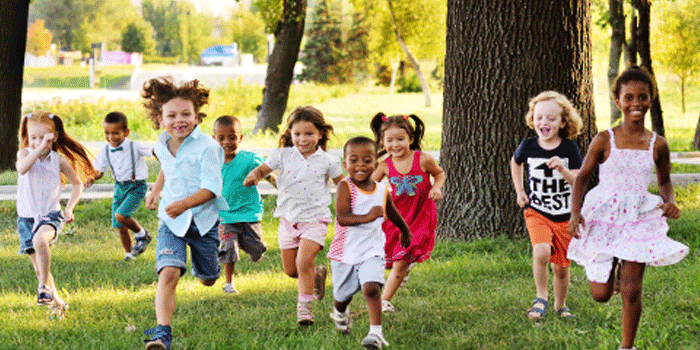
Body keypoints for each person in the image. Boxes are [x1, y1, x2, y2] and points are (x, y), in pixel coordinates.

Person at [567, 66, 689, 350]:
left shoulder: (658, 144)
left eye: (643, 97)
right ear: (618, 101)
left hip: (638, 217)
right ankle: (613, 266)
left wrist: (669, 200)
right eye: (629, 97)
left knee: (632, 289)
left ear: (651, 99)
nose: (637, 103)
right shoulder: (604, 139)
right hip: (604, 215)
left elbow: (665, 180)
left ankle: (627, 346)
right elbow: (582, 178)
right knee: (600, 294)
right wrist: (576, 213)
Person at [141, 77, 227, 350]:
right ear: (160, 118)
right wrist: (156, 190)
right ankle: (162, 334)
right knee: (169, 273)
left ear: (197, 115)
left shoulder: (209, 148)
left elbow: (211, 189)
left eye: (186, 114)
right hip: (171, 220)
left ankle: (208, 265)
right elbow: (169, 166)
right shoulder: (162, 143)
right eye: (172, 115)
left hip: (202, 221)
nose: (180, 120)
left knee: (209, 278)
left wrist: (184, 204)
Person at [244, 106, 343, 326]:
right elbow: (263, 169)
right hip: (288, 220)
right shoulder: (282, 155)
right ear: (290, 133)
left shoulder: (327, 160)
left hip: (316, 220)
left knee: (303, 260)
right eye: (297, 134)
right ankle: (316, 275)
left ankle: (304, 310)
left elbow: (343, 185)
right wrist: (255, 175)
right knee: (292, 271)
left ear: (320, 134)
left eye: (309, 134)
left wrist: (354, 205)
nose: (302, 139)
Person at [327, 136, 411, 349]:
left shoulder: (382, 189)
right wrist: (367, 217)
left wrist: (404, 230)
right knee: (342, 296)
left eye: (367, 160)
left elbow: (391, 211)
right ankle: (340, 312)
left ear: (375, 164)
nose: (360, 165)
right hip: (345, 252)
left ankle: (376, 334)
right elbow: (342, 217)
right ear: (345, 164)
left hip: (372, 249)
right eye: (354, 160)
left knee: (371, 288)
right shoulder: (345, 187)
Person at [509, 91, 583, 320]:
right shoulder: (528, 145)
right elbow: (516, 162)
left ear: (563, 122)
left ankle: (561, 305)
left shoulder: (569, 149)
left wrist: (562, 169)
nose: (544, 122)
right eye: (539, 117)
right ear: (533, 119)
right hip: (537, 212)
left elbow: (578, 181)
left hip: (563, 216)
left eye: (551, 118)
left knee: (561, 268)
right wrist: (520, 191)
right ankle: (541, 297)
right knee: (541, 251)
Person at [15, 111, 95, 315]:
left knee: (40, 241)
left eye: (43, 138)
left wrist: (69, 208)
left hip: (51, 215)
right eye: (33, 137)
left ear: (54, 137)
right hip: (26, 218)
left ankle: (42, 288)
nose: (37, 142)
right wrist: (38, 147)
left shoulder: (57, 160)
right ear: (28, 137)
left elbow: (77, 184)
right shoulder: (24, 154)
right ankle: (58, 303)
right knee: (39, 267)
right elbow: (22, 169)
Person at [369, 113, 445, 313]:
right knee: (391, 257)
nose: (395, 144)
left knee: (400, 260)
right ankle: (403, 267)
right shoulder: (385, 165)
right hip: (396, 217)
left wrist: (436, 188)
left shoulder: (423, 159)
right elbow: (370, 185)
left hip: (420, 215)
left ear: (411, 139)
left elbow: (440, 173)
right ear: (383, 141)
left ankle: (384, 300)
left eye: (401, 139)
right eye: (389, 140)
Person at [213, 115, 276, 294]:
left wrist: (282, 188)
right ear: (214, 139)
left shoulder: (249, 159)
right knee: (228, 248)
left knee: (256, 250)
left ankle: (253, 249)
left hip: (249, 213)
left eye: (232, 137)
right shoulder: (212, 163)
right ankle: (229, 284)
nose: (227, 142)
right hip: (225, 216)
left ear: (240, 138)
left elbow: (268, 173)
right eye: (221, 138)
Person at [88, 111, 153, 261]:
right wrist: (91, 177)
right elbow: (99, 171)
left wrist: (162, 155)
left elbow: (153, 152)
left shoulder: (134, 146)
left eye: (115, 133)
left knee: (121, 215)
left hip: (136, 187)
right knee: (120, 225)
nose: (111, 137)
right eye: (107, 133)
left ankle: (143, 234)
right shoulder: (105, 150)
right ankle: (129, 254)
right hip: (119, 188)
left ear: (126, 132)